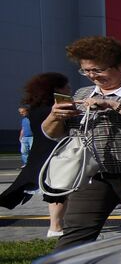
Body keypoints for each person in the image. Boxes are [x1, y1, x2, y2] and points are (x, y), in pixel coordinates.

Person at [41, 37, 121, 249]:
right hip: (93, 173)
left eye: (98, 70)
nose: (92, 76)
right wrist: (54, 117)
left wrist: (113, 104)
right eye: (86, 71)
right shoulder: (82, 93)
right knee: (76, 231)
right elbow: (52, 134)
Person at [1, 72, 72, 236]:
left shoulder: (35, 109)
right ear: (56, 89)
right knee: (58, 192)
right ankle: (56, 228)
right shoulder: (54, 109)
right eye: (65, 86)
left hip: (42, 153)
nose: (69, 88)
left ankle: (58, 226)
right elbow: (58, 132)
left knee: (57, 191)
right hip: (53, 154)